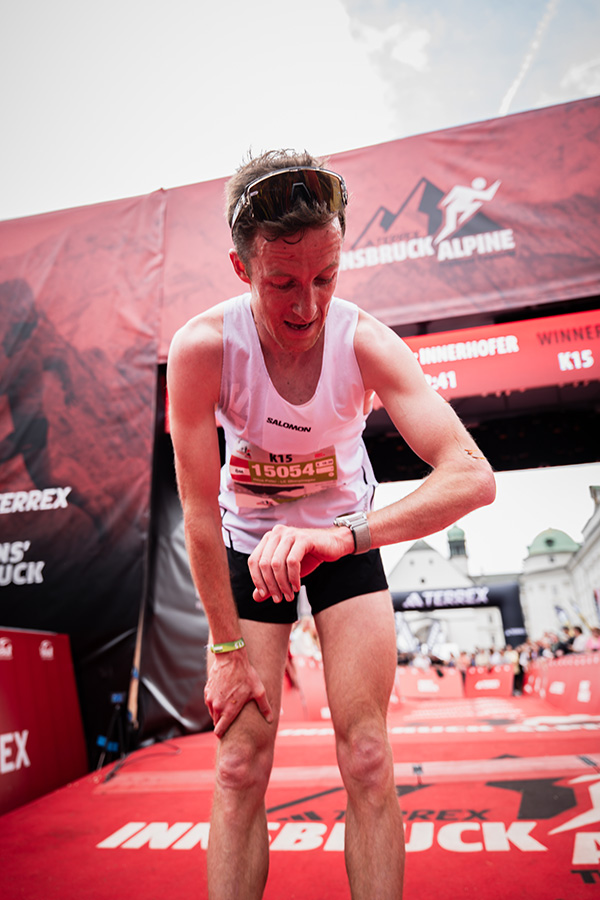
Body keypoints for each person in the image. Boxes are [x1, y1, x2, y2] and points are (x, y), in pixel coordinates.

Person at [167, 149, 496, 900]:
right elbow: (193, 508)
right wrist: (225, 648)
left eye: (326, 277)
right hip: (250, 547)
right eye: (282, 281)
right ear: (239, 267)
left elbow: (472, 476)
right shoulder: (203, 349)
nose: (307, 305)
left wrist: (341, 536)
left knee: (371, 755)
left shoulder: (364, 340)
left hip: (343, 539)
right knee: (239, 762)